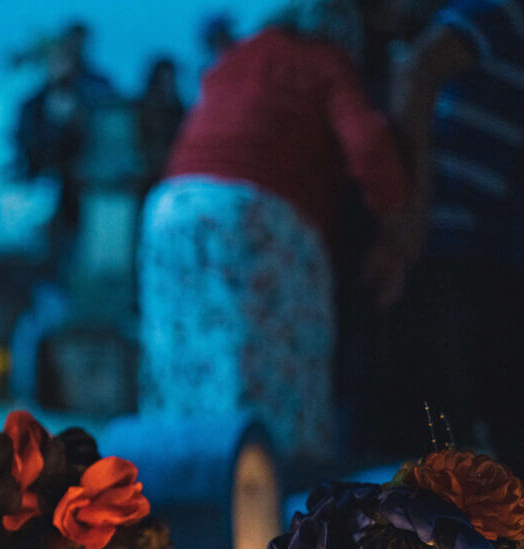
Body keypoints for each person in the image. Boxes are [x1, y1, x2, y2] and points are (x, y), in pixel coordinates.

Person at [137, 0, 411, 462]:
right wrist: (396, 225)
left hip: (172, 209)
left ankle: (182, 485)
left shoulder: (234, 59)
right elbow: (367, 144)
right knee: (275, 375)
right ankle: (275, 491)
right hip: (259, 213)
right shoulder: (325, 61)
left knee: (186, 367)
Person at [391, 0, 524, 472]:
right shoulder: (498, 14)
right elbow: (417, 73)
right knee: (445, 422)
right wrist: (413, 209)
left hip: (489, 250)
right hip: (448, 241)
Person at [15, 22, 117, 286]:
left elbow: (103, 142)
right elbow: (26, 147)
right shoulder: (33, 104)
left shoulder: (92, 100)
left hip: (81, 195)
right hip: (41, 196)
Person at [137, 57, 185, 192]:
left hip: (171, 169)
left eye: (171, 78)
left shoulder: (178, 108)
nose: (168, 82)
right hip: (147, 169)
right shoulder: (144, 107)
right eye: (164, 78)